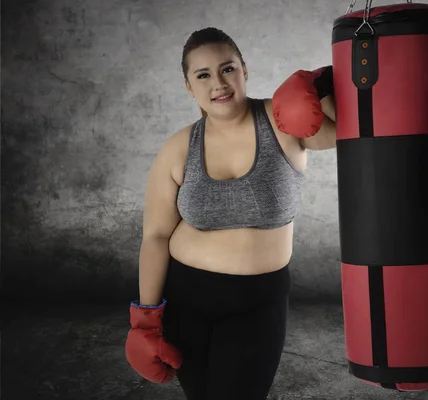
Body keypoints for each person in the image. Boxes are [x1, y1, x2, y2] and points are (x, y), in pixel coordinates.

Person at [124, 27, 337, 400]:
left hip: (256, 303)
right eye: (203, 75)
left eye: (228, 69)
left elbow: (355, 130)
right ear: (189, 86)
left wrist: (323, 82)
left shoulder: (282, 119)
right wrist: (145, 322)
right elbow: (156, 236)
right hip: (186, 299)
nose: (218, 83)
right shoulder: (178, 147)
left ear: (244, 71)